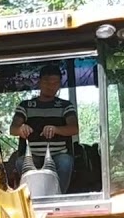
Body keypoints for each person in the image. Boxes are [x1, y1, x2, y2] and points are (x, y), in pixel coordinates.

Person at [12, 65, 79, 193]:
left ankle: (59, 197)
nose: (51, 86)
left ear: (60, 84)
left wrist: (56, 129)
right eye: (47, 82)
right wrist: (21, 128)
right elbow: (13, 129)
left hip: (58, 154)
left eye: (55, 83)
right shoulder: (25, 106)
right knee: (20, 162)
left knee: (66, 162)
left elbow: (74, 128)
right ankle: (30, 197)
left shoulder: (66, 106)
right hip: (33, 155)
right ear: (39, 82)